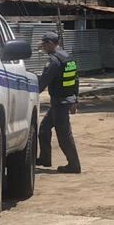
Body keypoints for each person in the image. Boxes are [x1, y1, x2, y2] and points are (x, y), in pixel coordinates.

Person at [37, 32, 82, 174]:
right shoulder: (68, 57)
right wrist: (75, 99)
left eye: (44, 44)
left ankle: (74, 165)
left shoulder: (54, 61)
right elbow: (75, 79)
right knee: (44, 129)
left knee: (64, 135)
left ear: (51, 43)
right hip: (64, 100)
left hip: (60, 102)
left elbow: (44, 81)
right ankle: (45, 159)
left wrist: (30, 93)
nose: (43, 47)